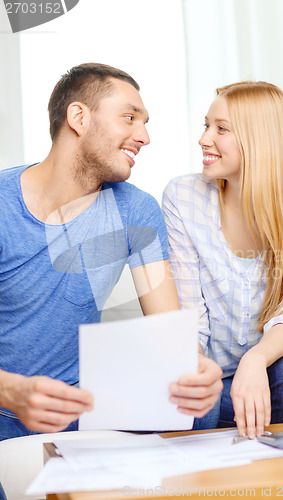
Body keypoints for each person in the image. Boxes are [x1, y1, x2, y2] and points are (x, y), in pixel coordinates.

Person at [0, 63, 222, 441]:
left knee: (202, 409)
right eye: (130, 118)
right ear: (79, 117)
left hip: (84, 405)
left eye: (145, 122)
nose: (145, 136)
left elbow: (168, 332)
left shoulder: (137, 210)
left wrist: (196, 369)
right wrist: (13, 391)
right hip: (6, 404)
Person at [162, 81, 283, 439]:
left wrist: (254, 360)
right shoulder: (183, 197)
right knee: (200, 398)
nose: (204, 139)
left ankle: (276, 477)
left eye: (221, 129)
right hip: (216, 384)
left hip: (277, 379)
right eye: (206, 125)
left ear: (261, 140)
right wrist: (200, 370)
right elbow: (189, 317)